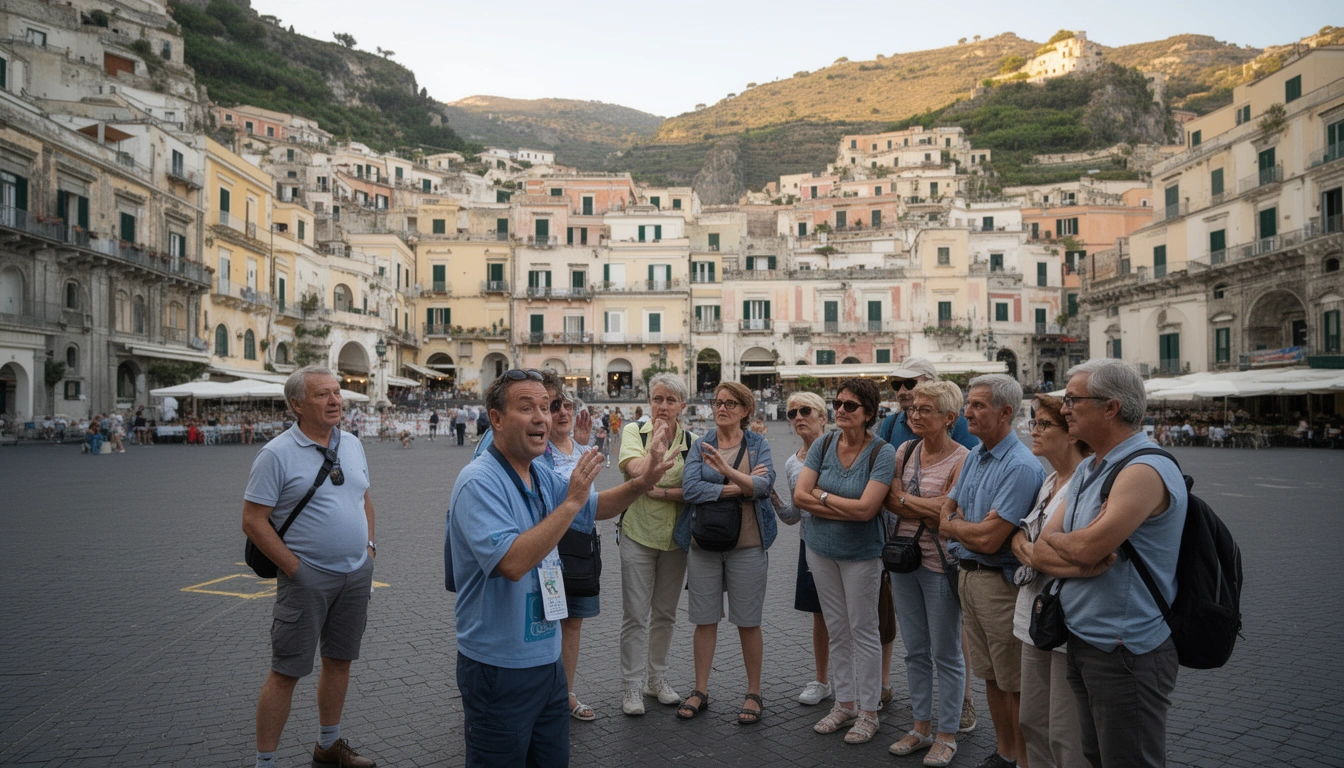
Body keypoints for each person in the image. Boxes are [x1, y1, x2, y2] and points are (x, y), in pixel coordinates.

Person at [446, 370, 675, 767]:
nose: (542, 418)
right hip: (498, 667)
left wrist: (643, 483)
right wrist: (569, 504)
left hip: (547, 662)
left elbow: (596, 507)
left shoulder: (540, 474)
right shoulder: (479, 481)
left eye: (546, 407)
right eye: (526, 408)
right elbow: (512, 562)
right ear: (496, 419)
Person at [1043, 359, 1187, 768]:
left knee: (1128, 759)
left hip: (1125, 649)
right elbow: (1043, 546)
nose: (1064, 408)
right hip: (1086, 638)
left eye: (1072, 399)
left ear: (1111, 407)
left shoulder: (1144, 469)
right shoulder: (1091, 467)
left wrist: (1059, 539)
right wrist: (1062, 540)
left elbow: (1087, 548)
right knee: (1096, 756)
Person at [241, 366, 378, 768]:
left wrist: (369, 550)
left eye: (337, 392)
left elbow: (364, 498)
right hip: (306, 578)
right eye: (323, 395)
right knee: (286, 671)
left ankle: (328, 746)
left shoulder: (352, 444)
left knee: (339, 660)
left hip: (355, 574)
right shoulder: (276, 453)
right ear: (297, 404)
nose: (335, 400)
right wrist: (296, 568)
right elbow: (253, 520)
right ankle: (264, 763)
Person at [940, 374, 1045, 768]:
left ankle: (1022, 758)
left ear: (1005, 412)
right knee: (989, 675)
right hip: (968, 577)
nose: (967, 411)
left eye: (977, 405)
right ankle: (1004, 751)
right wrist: (965, 526)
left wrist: (959, 527)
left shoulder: (1020, 467)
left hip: (999, 586)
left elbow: (988, 538)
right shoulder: (974, 456)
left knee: (1013, 682)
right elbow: (944, 513)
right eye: (969, 403)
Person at [875, 356, 979, 726]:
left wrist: (906, 501)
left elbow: (949, 512)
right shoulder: (902, 446)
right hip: (903, 559)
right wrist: (925, 505)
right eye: (912, 407)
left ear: (949, 416)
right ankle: (920, 725)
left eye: (924, 408)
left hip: (940, 562)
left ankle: (950, 725)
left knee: (947, 650)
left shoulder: (965, 453)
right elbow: (888, 496)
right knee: (915, 651)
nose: (913, 413)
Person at [793, 378, 897, 744]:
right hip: (820, 550)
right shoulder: (823, 443)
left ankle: (869, 711)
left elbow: (869, 510)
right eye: (837, 403)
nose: (840, 410)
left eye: (850, 405)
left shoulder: (882, 453)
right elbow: (799, 495)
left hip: (862, 555)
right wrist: (842, 507)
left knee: (864, 629)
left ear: (868, 413)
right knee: (837, 628)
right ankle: (845, 702)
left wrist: (823, 499)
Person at [676, 382, 777, 724]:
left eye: (731, 403)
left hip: (748, 544)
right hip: (703, 544)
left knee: (748, 621)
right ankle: (700, 689)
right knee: (704, 620)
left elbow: (765, 486)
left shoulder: (758, 443)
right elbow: (690, 488)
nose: (722, 409)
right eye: (718, 402)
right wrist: (738, 486)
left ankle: (753, 692)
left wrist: (726, 472)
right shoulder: (701, 443)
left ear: (746, 410)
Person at [1008, 395, 1092, 768]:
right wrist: (1037, 554)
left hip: (1065, 621)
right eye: (1034, 422)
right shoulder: (1049, 481)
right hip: (1033, 616)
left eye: (1043, 424)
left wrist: (1034, 551)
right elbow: (1019, 539)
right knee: (1032, 721)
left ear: (1072, 433)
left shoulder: (1086, 483)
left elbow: (1081, 556)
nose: (1033, 431)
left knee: (1064, 732)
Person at [617, 373, 698, 716]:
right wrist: (655, 454)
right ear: (649, 402)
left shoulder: (693, 441)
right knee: (635, 615)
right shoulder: (634, 432)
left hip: (675, 539)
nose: (663, 406)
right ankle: (632, 686)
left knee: (665, 613)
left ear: (682, 406)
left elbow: (697, 490)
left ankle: (657, 678)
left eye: (670, 400)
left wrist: (662, 492)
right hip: (638, 533)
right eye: (657, 399)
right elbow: (635, 471)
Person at [771, 391, 834, 706]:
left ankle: (863, 683)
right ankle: (822, 680)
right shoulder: (791, 462)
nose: (797, 417)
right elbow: (795, 516)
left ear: (823, 417)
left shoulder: (841, 452)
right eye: (791, 412)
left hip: (843, 543)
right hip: (809, 544)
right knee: (819, 616)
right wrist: (773, 500)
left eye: (805, 411)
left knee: (855, 618)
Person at [543, 392, 602, 722]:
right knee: (547, 619)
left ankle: (566, 691)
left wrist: (580, 446)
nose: (563, 412)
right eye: (555, 407)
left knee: (574, 622)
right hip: (550, 548)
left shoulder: (581, 448)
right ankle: (544, 694)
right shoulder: (539, 453)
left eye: (568, 406)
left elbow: (589, 498)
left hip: (581, 547)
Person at [878, 357, 979, 452]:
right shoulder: (890, 424)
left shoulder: (957, 424)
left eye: (910, 384)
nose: (902, 391)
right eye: (896, 385)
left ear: (932, 384)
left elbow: (972, 463)